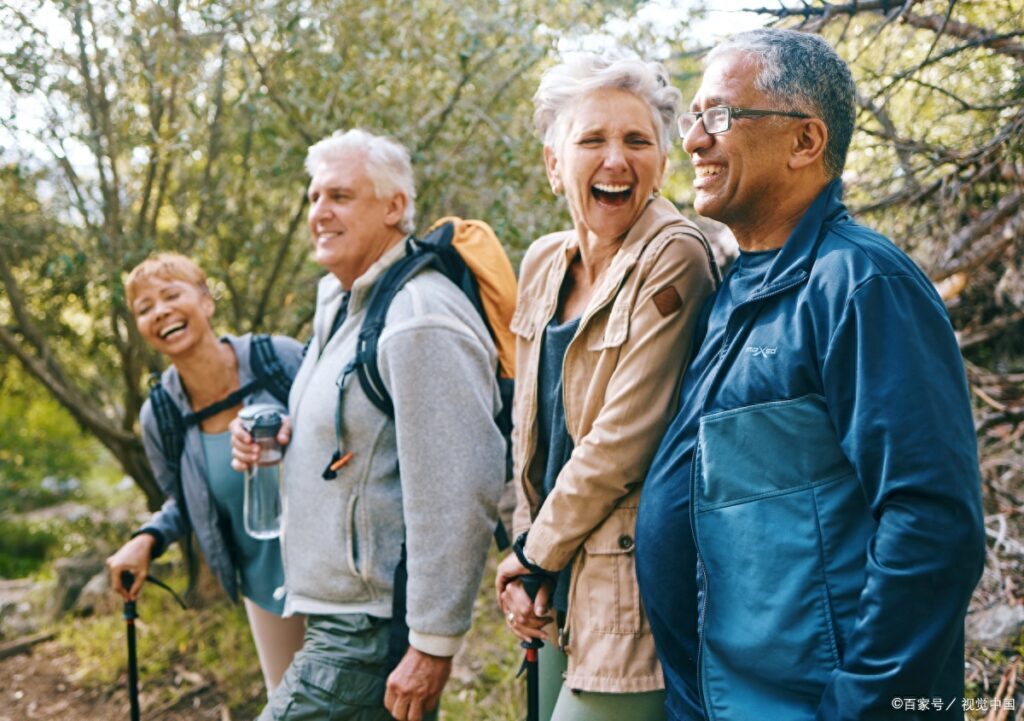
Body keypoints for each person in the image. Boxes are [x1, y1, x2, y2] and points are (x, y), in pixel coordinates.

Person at [635, 28, 987, 721]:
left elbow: (933, 524)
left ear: (805, 142)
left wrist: (857, 707)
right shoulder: (737, 288)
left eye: (721, 116)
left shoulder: (860, 284)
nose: (695, 140)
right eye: (692, 118)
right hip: (720, 701)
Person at [230, 128, 506, 721]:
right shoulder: (343, 302)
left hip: (367, 631)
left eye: (339, 196)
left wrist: (431, 645)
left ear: (394, 206)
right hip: (334, 614)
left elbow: (461, 487)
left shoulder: (418, 316)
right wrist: (282, 431)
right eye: (313, 198)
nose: (319, 213)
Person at [494, 53, 718, 721]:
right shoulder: (541, 262)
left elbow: (623, 441)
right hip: (553, 574)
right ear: (553, 163)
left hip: (628, 592)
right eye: (591, 139)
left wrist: (532, 553)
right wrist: (526, 553)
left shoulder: (675, 255)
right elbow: (527, 431)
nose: (615, 159)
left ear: (664, 162)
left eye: (637, 140)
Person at [105, 253, 306, 694]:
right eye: (145, 308)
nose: (160, 312)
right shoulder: (161, 414)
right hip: (265, 587)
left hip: (339, 570)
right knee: (292, 706)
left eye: (171, 295)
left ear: (207, 302)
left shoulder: (279, 358)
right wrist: (147, 539)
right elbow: (185, 501)